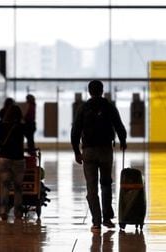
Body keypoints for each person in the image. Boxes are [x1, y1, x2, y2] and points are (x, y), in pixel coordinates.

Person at [71, 80, 127, 232]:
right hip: (105, 150)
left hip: (88, 151)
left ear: (89, 91)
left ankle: (96, 222)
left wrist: (76, 151)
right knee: (106, 183)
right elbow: (118, 124)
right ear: (102, 91)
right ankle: (107, 218)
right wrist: (123, 140)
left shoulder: (83, 107)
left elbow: (75, 130)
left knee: (91, 186)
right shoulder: (108, 106)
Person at [0, 104, 27, 220]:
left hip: (5, 159)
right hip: (18, 159)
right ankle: (18, 212)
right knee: (18, 187)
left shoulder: (1, 126)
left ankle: (3, 210)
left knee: (5, 186)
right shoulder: (21, 127)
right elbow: (29, 138)